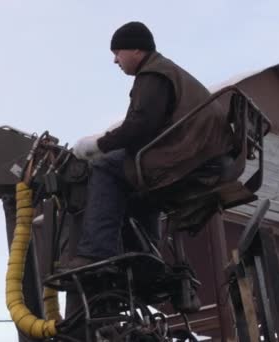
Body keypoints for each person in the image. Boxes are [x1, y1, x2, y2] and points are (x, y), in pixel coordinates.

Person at [66, 21, 232, 268]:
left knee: (105, 168)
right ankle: (145, 258)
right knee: (135, 188)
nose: (115, 61)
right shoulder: (166, 72)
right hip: (205, 155)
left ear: (136, 50)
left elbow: (139, 127)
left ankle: (96, 253)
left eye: (117, 53)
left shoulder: (153, 74)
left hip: (189, 155)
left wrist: (98, 145)